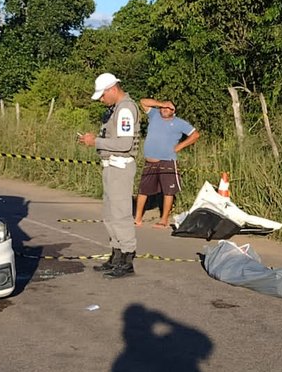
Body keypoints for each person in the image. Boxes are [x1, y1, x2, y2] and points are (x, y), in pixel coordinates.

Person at [78, 72, 140, 279]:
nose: (102, 100)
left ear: (113, 89)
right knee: (109, 214)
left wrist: (95, 141)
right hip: (111, 166)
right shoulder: (115, 110)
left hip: (120, 167)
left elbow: (125, 144)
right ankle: (116, 255)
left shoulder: (125, 110)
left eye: (103, 95)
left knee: (121, 215)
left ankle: (127, 259)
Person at [134, 98, 200, 229]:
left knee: (168, 191)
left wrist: (179, 147)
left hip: (167, 161)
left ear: (174, 110)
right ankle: (137, 218)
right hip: (150, 161)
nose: (164, 109)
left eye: (168, 108)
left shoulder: (179, 123)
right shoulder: (154, 115)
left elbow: (195, 135)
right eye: (163, 107)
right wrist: (161, 104)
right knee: (143, 190)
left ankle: (163, 220)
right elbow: (143, 102)